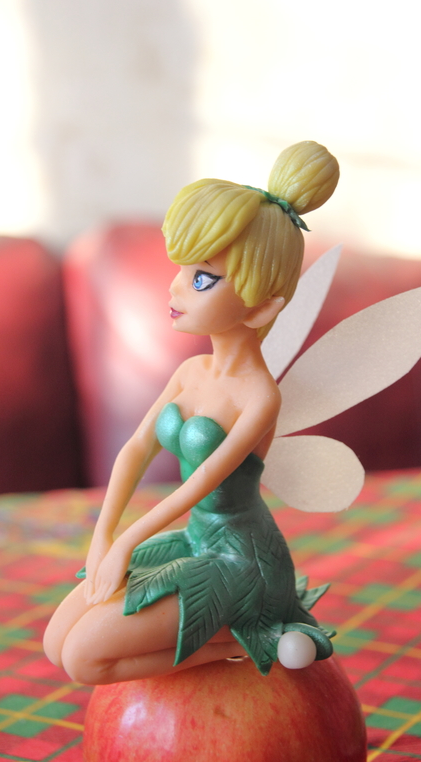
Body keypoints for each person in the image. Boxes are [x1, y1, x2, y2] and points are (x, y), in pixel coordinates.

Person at [43, 141, 339, 685]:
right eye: (181, 269)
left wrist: (128, 541)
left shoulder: (259, 397)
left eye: (203, 278)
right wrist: (104, 536)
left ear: (262, 307)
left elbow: (202, 483)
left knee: (85, 660)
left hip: (241, 558)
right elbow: (135, 450)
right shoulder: (190, 373)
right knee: (55, 643)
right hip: (195, 538)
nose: (176, 286)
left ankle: (250, 635)